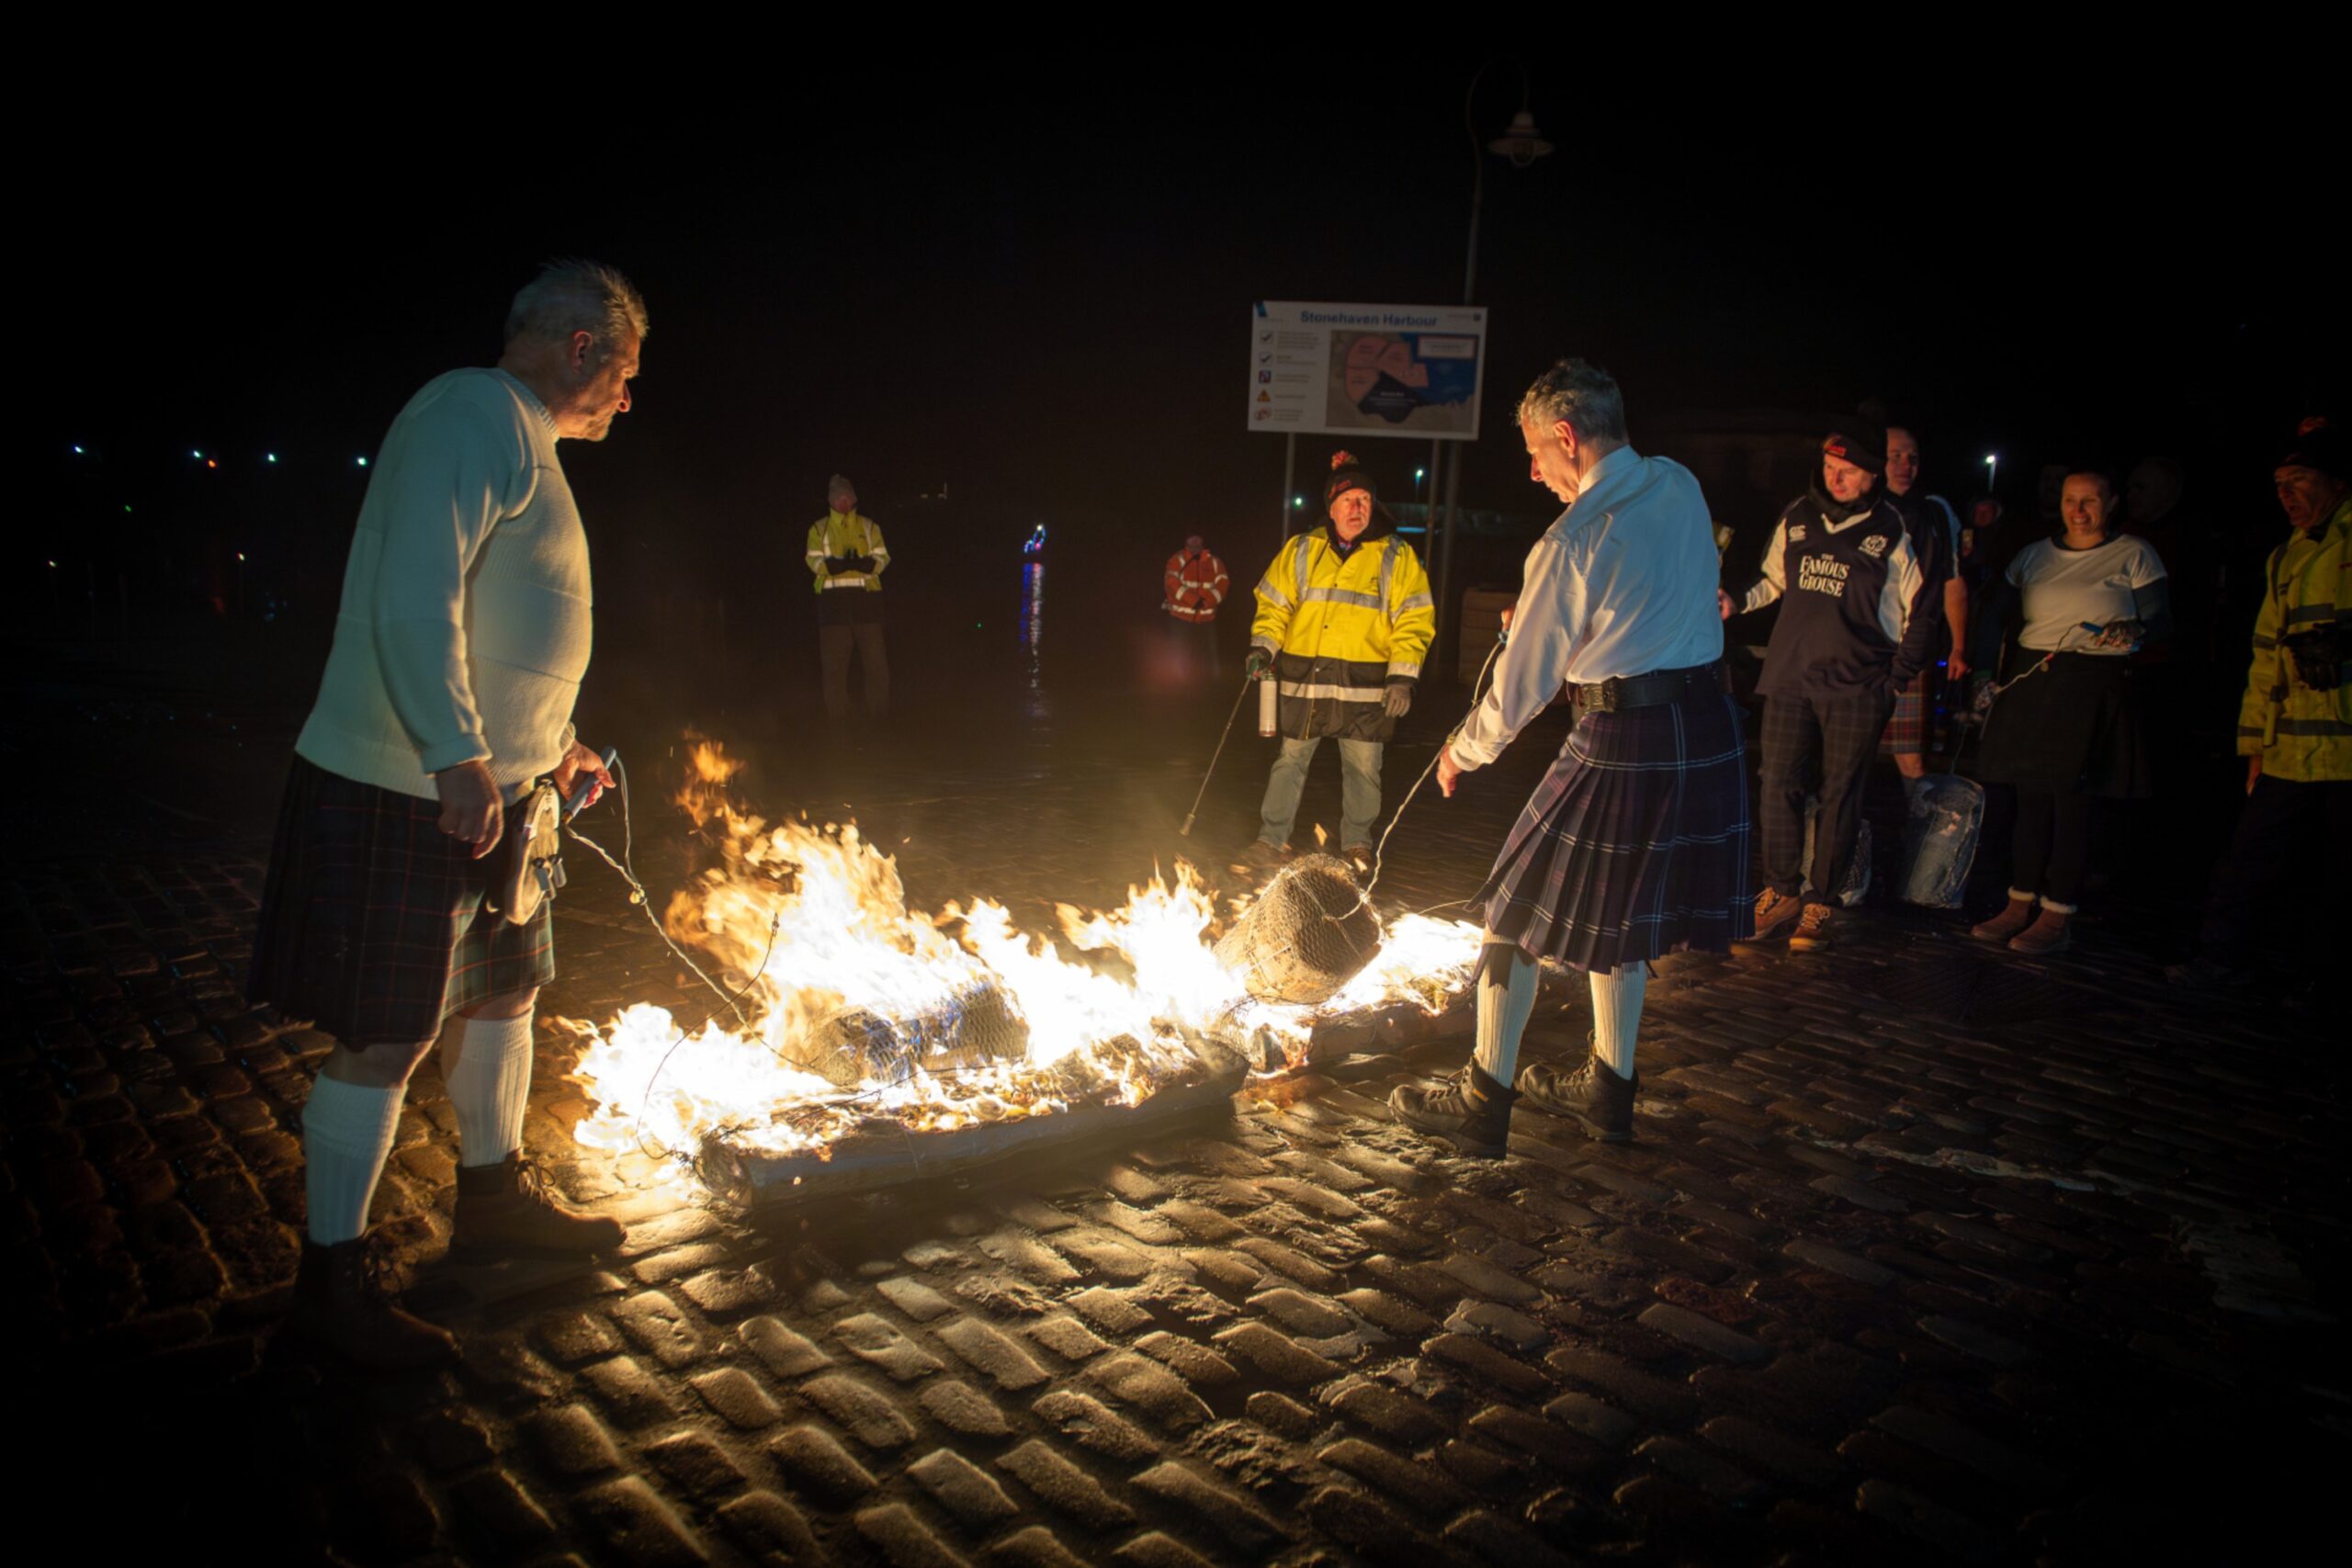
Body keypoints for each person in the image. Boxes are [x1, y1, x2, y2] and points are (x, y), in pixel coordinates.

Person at [247, 260, 642, 1367]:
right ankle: (331, 1290)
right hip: (405, 784)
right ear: (579, 346)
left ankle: (494, 1207)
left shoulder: (524, 440)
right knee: (387, 1033)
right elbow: (414, 589)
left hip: (501, 788)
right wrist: (456, 749)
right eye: (625, 370)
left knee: (506, 996)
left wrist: (543, 744)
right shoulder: (472, 410)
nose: (626, 395)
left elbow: (496, 616)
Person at [1390, 358, 1747, 1152]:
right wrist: (1570, 614)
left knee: (1508, 912)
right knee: (1622, 920)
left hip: (1622, 736)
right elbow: (1653, 587)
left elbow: (1520, 689)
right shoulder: (1679, 483)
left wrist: (1461, 749)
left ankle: (1484, 1102)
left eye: (1535, 452)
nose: (1533, 471)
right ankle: (1610, 1090)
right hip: (1705, 727)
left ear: (1566, 434)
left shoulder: (1570, 538)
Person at [1723, 420, 1941, 953]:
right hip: (1791, 676)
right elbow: (1774, 580)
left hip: (1859, 684)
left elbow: (1924, 613)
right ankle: (1781, 892)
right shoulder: (1799, 515)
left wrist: (1894, 680)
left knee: (1841, 793)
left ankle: (1822, 899)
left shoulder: (1899, 528)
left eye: (1848, 472)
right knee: (1777, 784)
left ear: (1873, 475)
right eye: (1830, 468)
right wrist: (1737, 602)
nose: (1836, 479)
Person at [2169, 428, 2349, 995]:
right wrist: (2253, 748)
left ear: (2337, 483)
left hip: (2346, 748)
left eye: (2300, 483)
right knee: (2247, 863)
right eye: (2279, 486)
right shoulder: (2287, 555)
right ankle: (2221, 962)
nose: (2287, 496)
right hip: (2291, 750)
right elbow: (2264, 660)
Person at [1969, 468, 2169, 954]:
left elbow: (2159, 619)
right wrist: (1980, 672)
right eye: (2070, 501)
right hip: (2034, 677)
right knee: (2028, 798)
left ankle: (2058, 914)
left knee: (2072, 803)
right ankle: (2019, 903)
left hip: (2092, 681)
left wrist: (2133, 632)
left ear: (2111, 502)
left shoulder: (2134, 554)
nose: (2079, 511)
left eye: (2090, 501)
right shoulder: (2033, 556)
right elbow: (1994, 613)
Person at [1242, 451, 1434, 874]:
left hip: (1365, 687)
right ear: (1331, 507)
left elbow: (1415, 618)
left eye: (1365, 499)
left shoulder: (1396, 556)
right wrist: (1263, 647)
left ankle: (1357, 846)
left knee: (1364, 768)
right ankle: (1270, 840)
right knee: (1289, 760)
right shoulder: (1301, 550)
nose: (1358, 508)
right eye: (1349, 500)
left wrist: (1402, 678)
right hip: (1305, 681)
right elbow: (1274, 606)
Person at [1880, 424, 1966, 791]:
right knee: (1845, 751)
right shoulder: (1859, 505)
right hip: (1857, 647)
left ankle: (1920, 842)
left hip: (1911, 648)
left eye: (1912, 458)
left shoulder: (1934, 511)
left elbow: (1952, 580)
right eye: (1895, 456)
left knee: (1912, 756)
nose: (1905, 465)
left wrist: (1959, 645)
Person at [806, 474, 890, 723]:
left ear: (853, 499)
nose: (843, 503)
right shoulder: (818, 529)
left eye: (846, 498)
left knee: (877, 666)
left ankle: (879, 719)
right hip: (833, 610)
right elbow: (813, 560)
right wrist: (834, 566)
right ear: (831, 502)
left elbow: (884, 558)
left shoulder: (870, 526)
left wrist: (869, 565)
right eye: (838, 498)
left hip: (867, 606)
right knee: (834, 671)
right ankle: (839, 723)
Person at [1163, 533, 1229, 681]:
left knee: (1209, 654)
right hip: (1180, 618)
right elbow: (1171, 583)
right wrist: (1193, 601)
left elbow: (1223, 584)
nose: (1195, 541)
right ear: (1186, 540)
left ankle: (1213, 682)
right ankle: (1180, 682)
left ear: (1203, 540)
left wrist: (1207, 601)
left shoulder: (1214, 562)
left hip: (1207, 618)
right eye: (1191, 537)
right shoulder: (1177, 560)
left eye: (1198, 537)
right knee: (1180, 654)